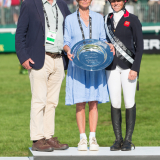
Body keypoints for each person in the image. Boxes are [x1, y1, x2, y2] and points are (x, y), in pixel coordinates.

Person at [15, 0, 70, 152]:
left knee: (52, 102)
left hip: (59, 59)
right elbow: (20, 33)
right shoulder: (30, 4)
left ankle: (49, 137)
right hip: (40, 58)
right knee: (39, 100)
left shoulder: (62, 5)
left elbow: (70, 29)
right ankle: (37, 139)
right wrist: (23, 57)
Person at [63, 0, 114, 151]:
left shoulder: (99, 18)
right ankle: (82, 139)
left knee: (93, 101)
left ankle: (93, 137)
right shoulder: (70, 19)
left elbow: (103, 40)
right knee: (80, 102)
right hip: (77, 65)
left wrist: (108, 45)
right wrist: (67, 50)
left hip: (95, 65)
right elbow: (66, 41)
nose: (85, 0)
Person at [104, 0, 143, 151]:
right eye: (113, 1)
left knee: (129, 101)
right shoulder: (106, 19)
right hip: (111, 67)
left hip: (128, 67)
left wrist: (136, 68)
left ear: (124, 1)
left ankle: (128, 140)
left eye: (118, 1)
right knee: (115, 102)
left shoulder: (132, 19)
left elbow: (139, 47)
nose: (115, 3)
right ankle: (118, 139)